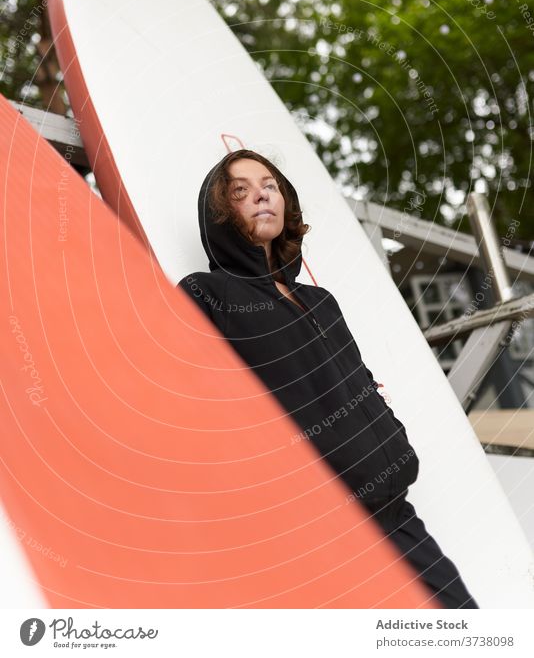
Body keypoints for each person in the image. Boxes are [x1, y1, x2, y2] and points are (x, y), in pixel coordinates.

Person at [178, 149, 479, 609]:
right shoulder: (208, 293)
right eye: (241, 191)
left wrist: (388, 434)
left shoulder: (321, 301)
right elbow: (194, 402)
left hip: (394, 508)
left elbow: (358, 379)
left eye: (270, 186)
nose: (261, 194)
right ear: (221, 213)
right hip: (321, 528)